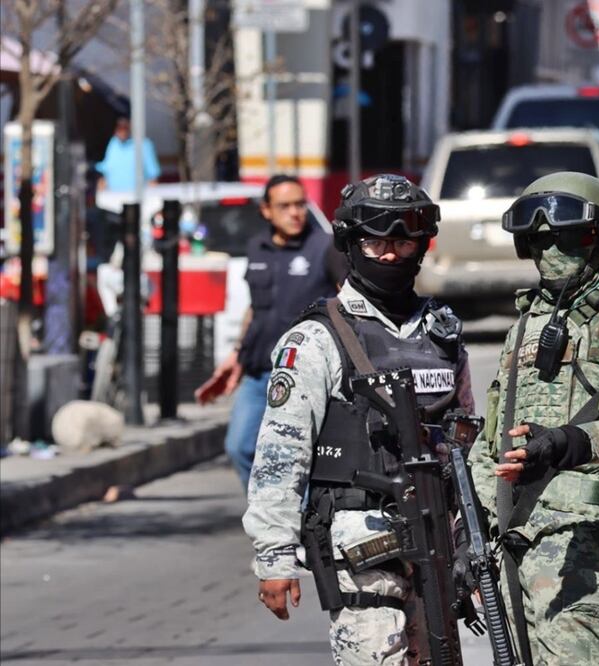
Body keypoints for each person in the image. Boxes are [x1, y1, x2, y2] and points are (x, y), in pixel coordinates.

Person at [242, 174, 475, 665]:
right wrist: (273, 558)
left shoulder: (442, 334)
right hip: (362, 543)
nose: (391, 254)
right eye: (376, 241)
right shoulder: (315, 339)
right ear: (351, 244)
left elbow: (466, 444)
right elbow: (280, 456)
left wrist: (471, 542)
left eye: (403, 239)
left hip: (436, 544)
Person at [466, 172, 599, 665]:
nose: (548, 251)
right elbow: (492, 438)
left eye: (564, 237)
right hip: (512, 545)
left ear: (598, 238)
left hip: (583, 549)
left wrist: (566, 442)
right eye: (535, 240)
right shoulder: (529, 320)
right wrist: (468, 533)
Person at [195, 175, 347, 489]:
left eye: (299, 204)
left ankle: (303, 524)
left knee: (297, 456)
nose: (295, 213)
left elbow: (349, 300)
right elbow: (255, 308)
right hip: (258, 372)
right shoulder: (257, 247)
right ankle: (272, 518)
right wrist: (237, 355)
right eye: (285, 206)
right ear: (266, 211)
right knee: (240, 447)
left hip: (303, 375)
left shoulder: (324, 246)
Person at [95, 116, 162, 192]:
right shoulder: (113, 143)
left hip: (137, 198)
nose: (122, 131)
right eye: (119, 128)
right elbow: (105, 168)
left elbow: (153, 176)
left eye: (125, 127)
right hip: (114, 197)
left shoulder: (144, 144)